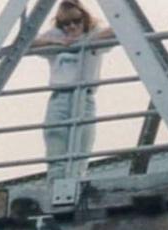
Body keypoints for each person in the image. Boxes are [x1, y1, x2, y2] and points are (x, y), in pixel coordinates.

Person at [31, 1, 114, 181]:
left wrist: (86, 42)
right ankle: (56, 189)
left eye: (76, 20)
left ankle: (76, 190)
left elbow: (118, 29)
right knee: (56, 150)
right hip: (60, 97)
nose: (72, 26)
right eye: (65, 23)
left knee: (80, 153)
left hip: (85, 97)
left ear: (84, 18)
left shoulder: (93, 33)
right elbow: (27, 42)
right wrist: (57, 42)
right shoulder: (56, 35)